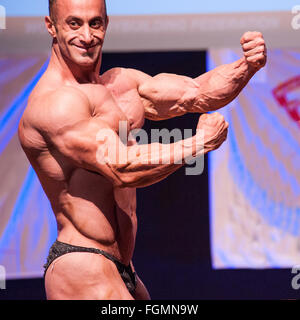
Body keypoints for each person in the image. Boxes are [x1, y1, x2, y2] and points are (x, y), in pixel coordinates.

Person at [18, 0, 266, 300]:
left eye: (94, 23)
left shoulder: (120, 85)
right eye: (74, 23)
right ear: (51, 26)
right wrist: (197, 144)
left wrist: (247, 65)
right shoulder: (56, 103)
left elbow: (197, 92)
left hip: (123, 268)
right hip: (81, 261)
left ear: (106, 24)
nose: (86, 35)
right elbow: (120, 168)